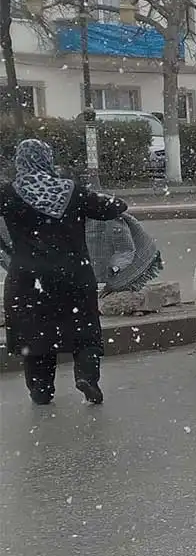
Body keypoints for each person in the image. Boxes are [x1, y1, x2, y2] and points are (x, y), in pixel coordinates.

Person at [2, 139, 128, 405]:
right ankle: (87, 376)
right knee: (84, 331)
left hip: (27, 280)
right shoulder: (72, 192)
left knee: (35, 337)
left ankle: (41, 390)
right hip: (73, 276)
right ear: (47, 160)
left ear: (20, 162)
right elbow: (115, 208)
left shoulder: (9, 194)